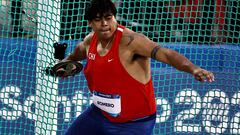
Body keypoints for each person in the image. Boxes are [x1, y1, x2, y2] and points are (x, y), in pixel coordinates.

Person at [60, 0, 215, 134]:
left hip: (134, 124)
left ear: (115, 18)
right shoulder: (89, 42)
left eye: (109, 18)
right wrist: (64, 67)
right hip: (99, 114)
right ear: (90, 23)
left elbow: (166, 54)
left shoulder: (131, 41)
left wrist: (194, 69)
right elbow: (73, 58)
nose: (105, 24)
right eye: (98, 20)